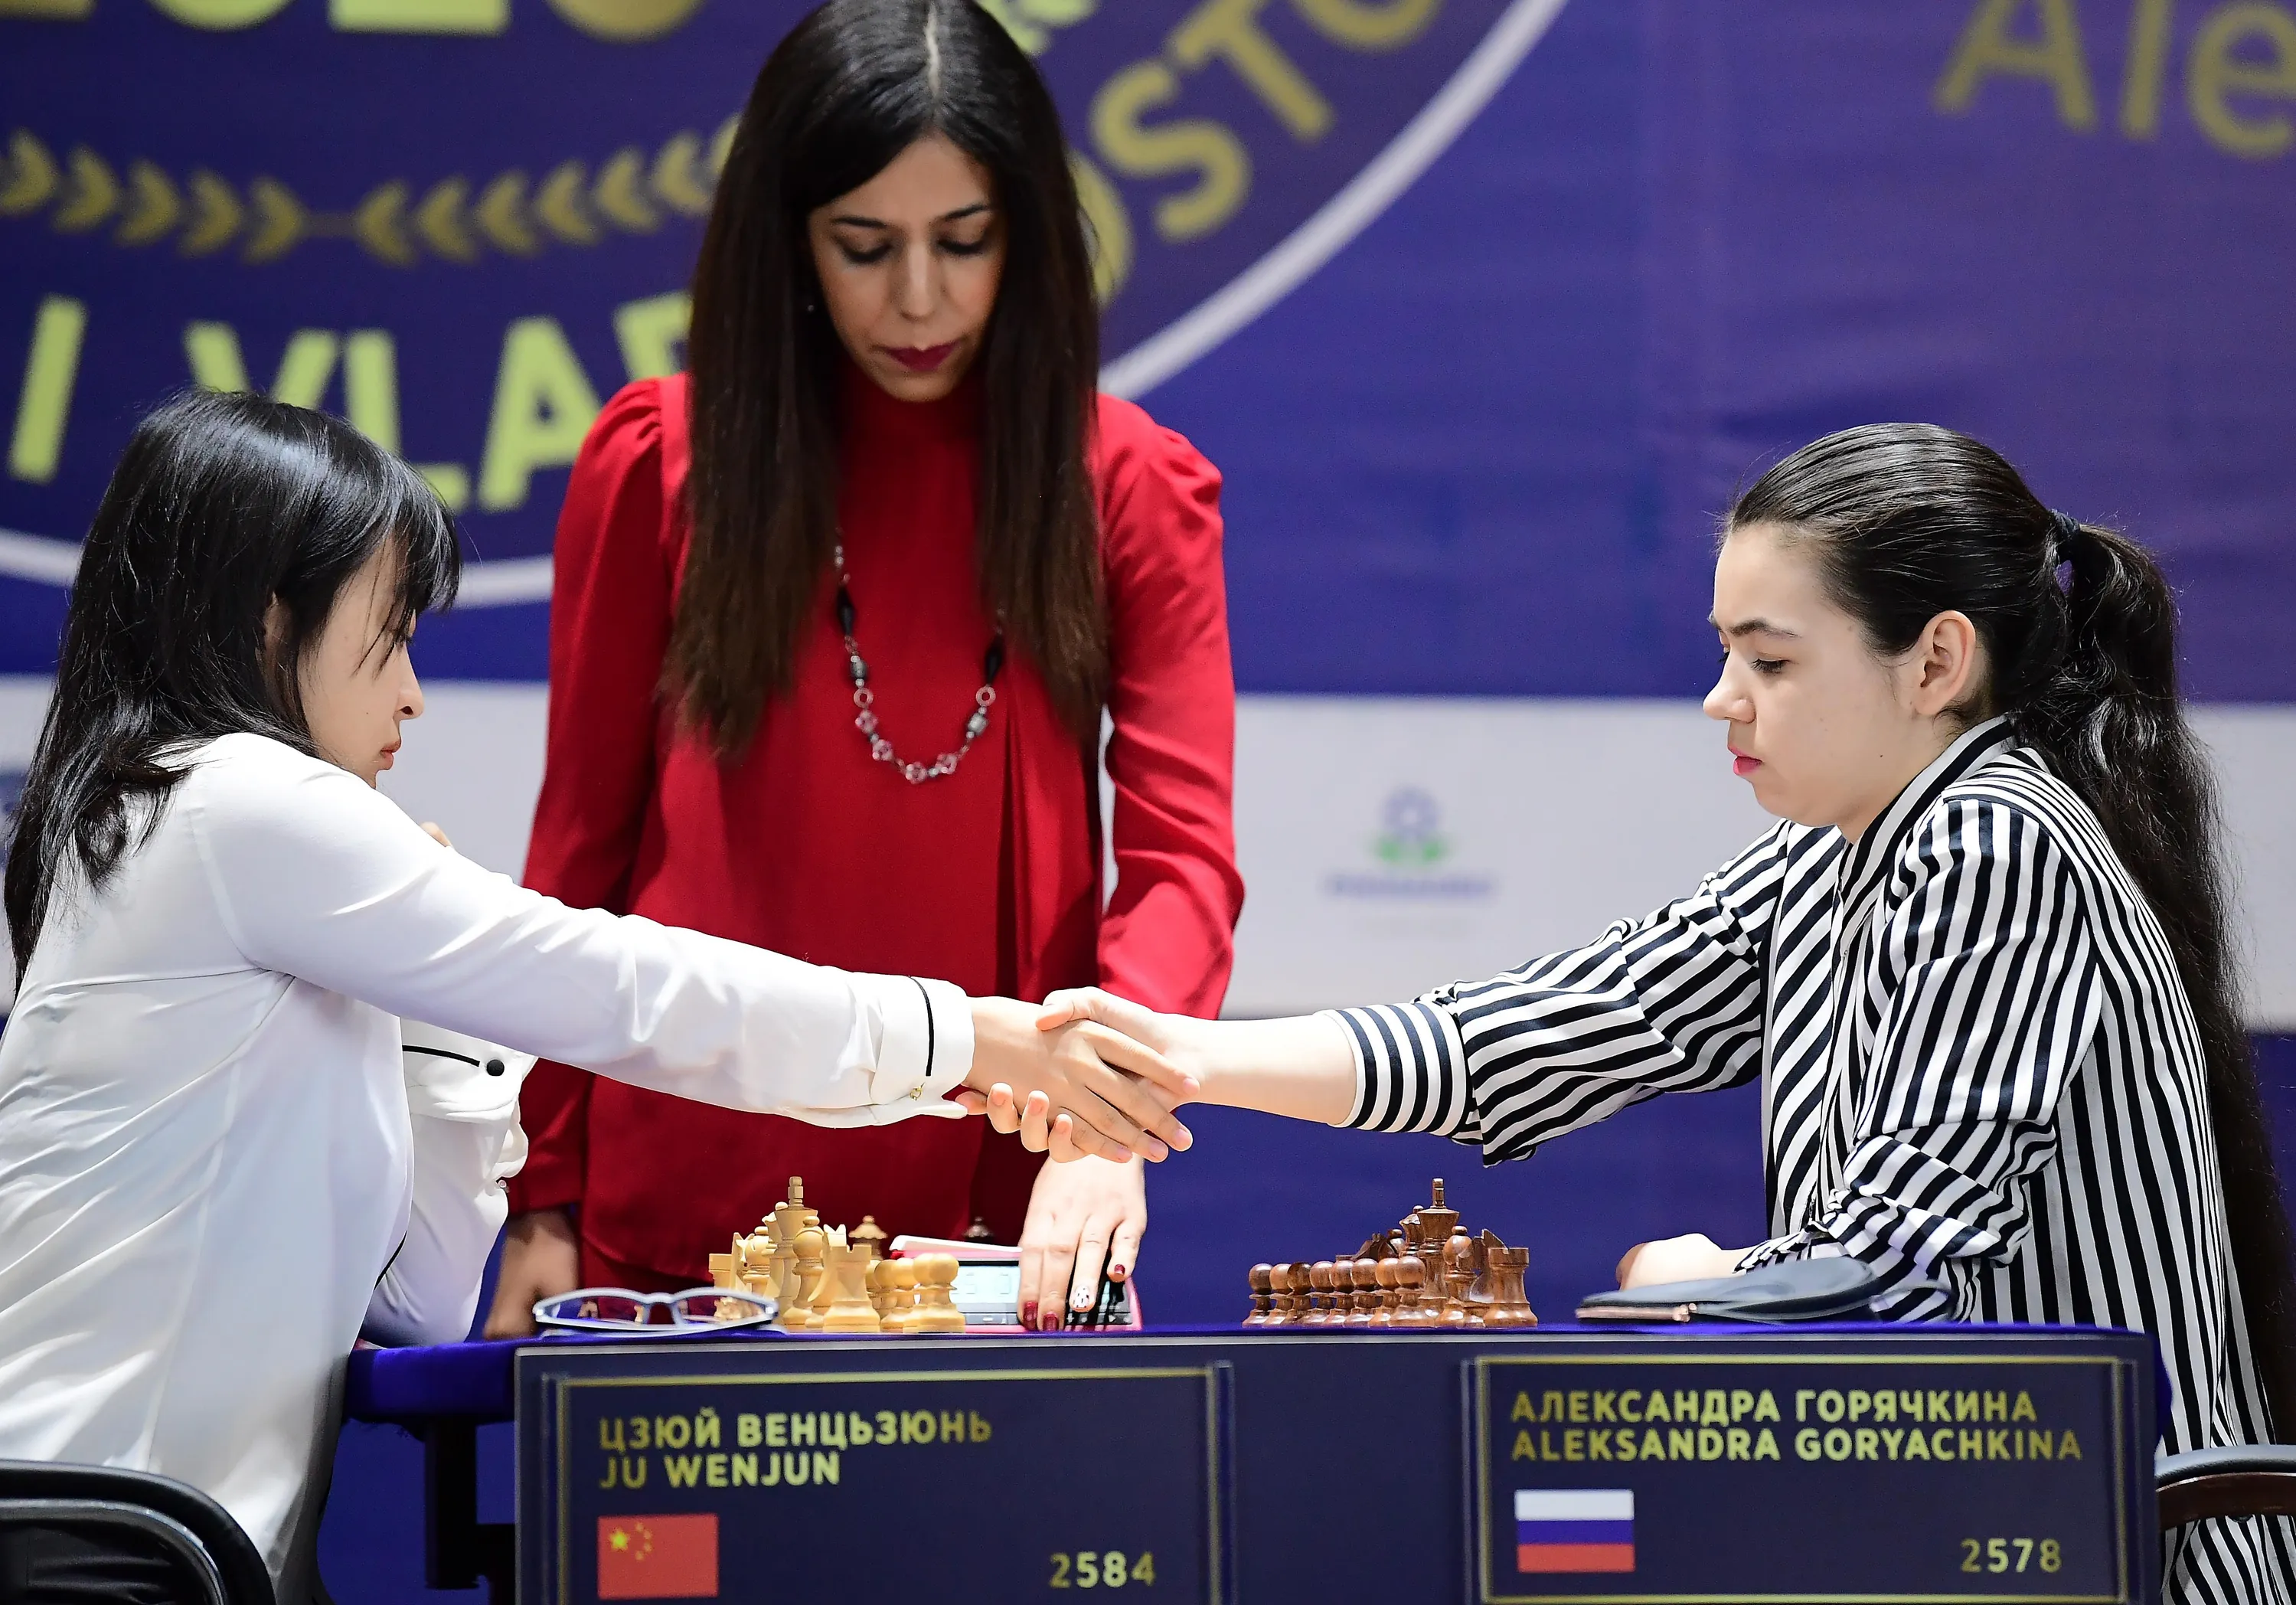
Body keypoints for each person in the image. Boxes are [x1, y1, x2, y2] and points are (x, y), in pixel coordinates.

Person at [1020, 424, 2296, 1602]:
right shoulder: (1829, 852)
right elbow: (1528, 1036)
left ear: (1935, 662)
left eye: (1770, 660)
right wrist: (1175, 1054)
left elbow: (1891, 1268)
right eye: (1727, 651)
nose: (1720, 697)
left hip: (2125, 1551)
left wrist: (1701, 1277)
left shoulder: (1994, 841)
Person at [0, 391, 1194, 1603]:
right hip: (96, 1545)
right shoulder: (235, 803)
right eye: (390, 634)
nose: (412, 694)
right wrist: (964, 1036)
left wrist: (437, 1007)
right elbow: (629, 991)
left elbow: (416, 1306)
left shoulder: (152, 825)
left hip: (173, 1548)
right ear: (270, 620)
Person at [490, 0, 1240, 1339]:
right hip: (681, 1199)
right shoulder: (663, 462)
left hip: (1005, 1203)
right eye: (864, 245)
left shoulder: (1126, 482)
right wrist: (543, 1190)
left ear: (1028, 237)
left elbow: (1182, 860)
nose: (918, 298)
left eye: (964, 240)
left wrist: (1106, 1125)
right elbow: (578, 860)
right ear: (788, 241)